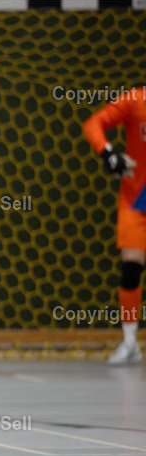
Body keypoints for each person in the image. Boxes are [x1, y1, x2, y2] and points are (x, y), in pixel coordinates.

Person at [83, 86, 146, 365]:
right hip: (137, 196)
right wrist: (107, 153)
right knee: (131, 268)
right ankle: (131, 341)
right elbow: (94, 123)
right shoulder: (136, 100)